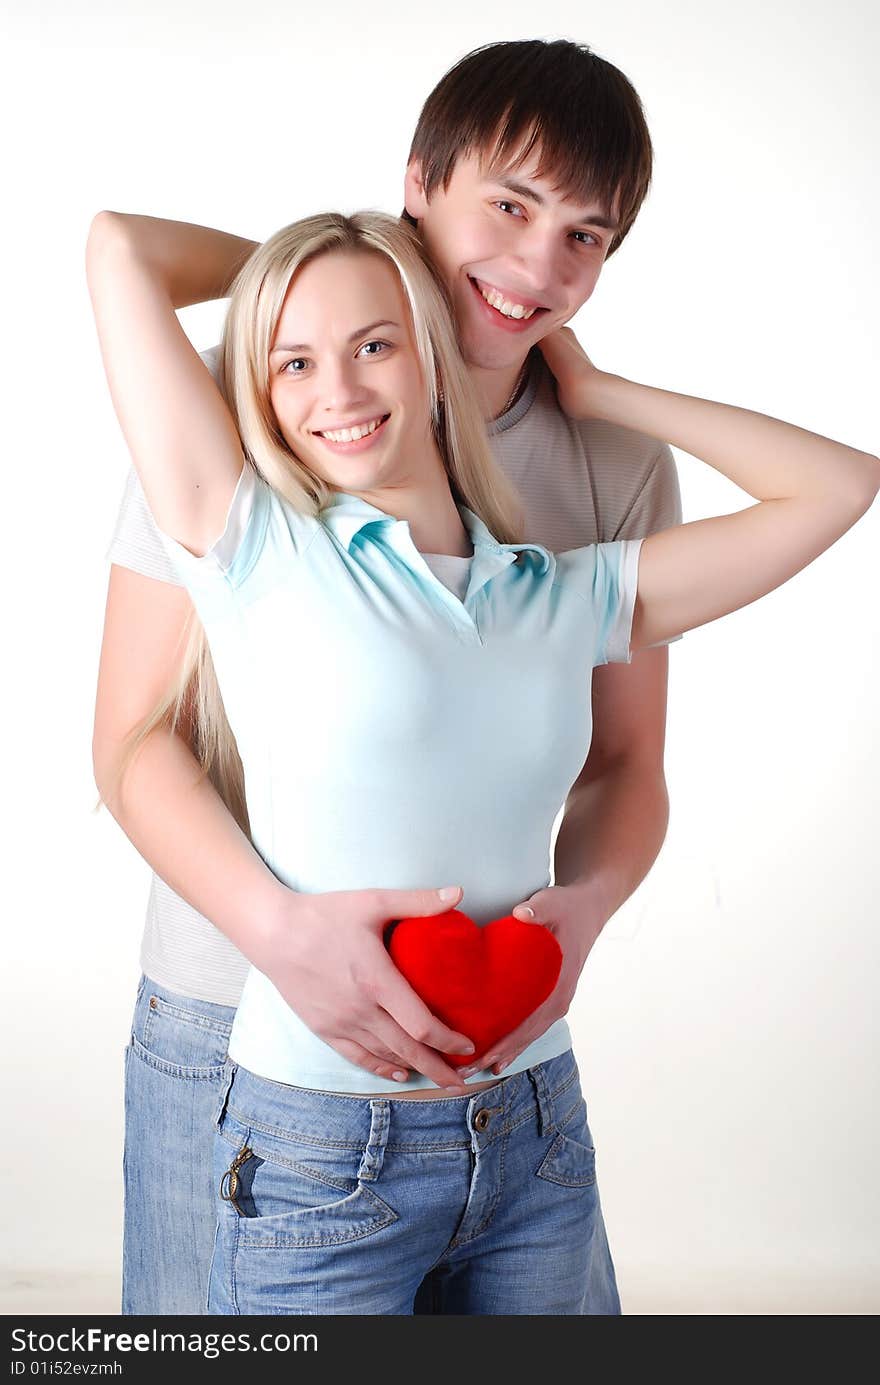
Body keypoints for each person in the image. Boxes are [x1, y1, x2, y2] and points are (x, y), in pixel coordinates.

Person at [87, 195, 877, 1315]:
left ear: (432, 355)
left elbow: (840, 485)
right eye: (292, 362)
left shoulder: (562, 592)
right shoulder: (255, 547)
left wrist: (603, 395)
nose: (341, 391)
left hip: (533, 1132)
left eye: (374, 344)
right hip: (319, 1155)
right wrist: (314, 266)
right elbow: (119, 247)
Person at [94, 39, 681, 1315]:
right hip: (234, 1018)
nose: (536, 268)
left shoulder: (614, 466)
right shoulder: (246, 402)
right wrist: (279, 932)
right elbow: (134, 739)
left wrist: (588, 906)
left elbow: (628, 761)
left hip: (498, 1064)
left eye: (585, 236)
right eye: (508, 206)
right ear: (419, 184)